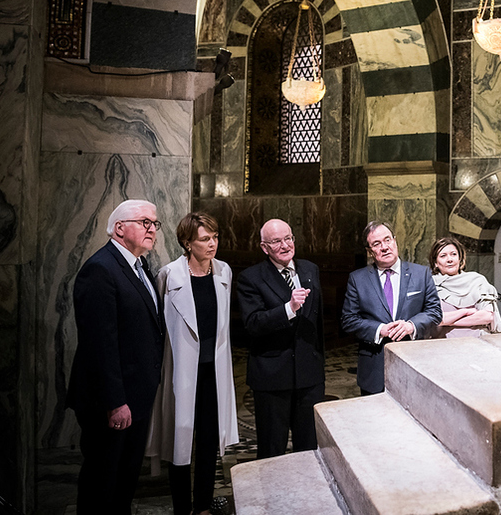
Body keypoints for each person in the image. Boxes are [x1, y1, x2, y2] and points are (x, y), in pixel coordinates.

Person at [66, 199, 165, 515]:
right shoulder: (101, 269)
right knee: (102, 483)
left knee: (124, 480)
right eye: (144, 222)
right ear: (119, 228)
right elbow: (99, 345)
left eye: (154, 223)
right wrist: (115, 402)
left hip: (136, 396)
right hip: (112, 402)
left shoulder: (139, 265)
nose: (151, 229)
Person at [147, 212, 239, 515]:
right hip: (183, 370)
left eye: (215, 237)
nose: (212, 244)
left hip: (214, 370)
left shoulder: (223, 271)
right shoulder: (169, 275)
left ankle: (202, 506)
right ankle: (181, 508)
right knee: (180, 437)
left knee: (210, 439)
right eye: (204, 239)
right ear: (188, 243)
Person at [236, 219, 325, 458]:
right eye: (277, 241)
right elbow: (253, 323)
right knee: (272, 449)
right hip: (272, 377)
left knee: (309, 448)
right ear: (265, 247)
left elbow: (318, 323)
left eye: (288, 238)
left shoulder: (309, 269)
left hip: (309, 376)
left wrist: (319, 364)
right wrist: (289, 308)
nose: (285, 245)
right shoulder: (250, 278)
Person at [341, 221, 442, 394]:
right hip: (374, 367)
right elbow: (348, 320)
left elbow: (434, 311)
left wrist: (411, 325)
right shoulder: (358, 279)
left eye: (387, 240)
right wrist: (380, 329)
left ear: (395, 241)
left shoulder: (421, 274)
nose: (384, 247)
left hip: (414, 364)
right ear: (369, 251)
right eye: (376, 244)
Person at [430, 236, 501, 338]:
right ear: (435, 263)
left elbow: (487, 316)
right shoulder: (430, 285)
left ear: (460, 258)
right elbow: (430, 320)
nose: (449, 259)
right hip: (444, 344)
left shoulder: (477, 280)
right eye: (443, 256)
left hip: (479, 342)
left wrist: (447, 321)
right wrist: (465, 312)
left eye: (453, 254)